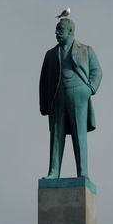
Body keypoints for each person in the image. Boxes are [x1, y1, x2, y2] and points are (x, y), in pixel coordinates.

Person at [39, 18, 102, 179]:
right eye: (56, 30)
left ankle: (83, 172)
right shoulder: (51, 54)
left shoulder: (86, 50)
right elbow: (43, 80)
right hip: (57, 97)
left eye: (60, 30)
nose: (56, 33)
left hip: (79, 96)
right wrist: (44, 103)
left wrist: (89, 90)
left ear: (70, 31)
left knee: (79, 134)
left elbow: (97, 72)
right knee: (56, 135)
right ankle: (53, 172)